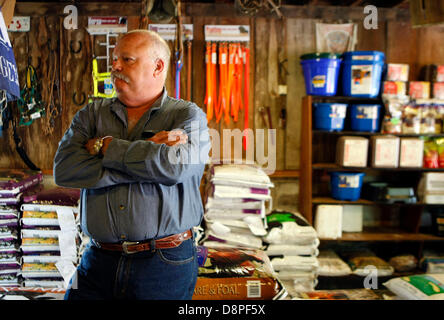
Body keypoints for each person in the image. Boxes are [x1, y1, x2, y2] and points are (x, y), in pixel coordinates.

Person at [53, 29, 210, 300]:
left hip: (164, 263)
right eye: (114, 59)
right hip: (97, 261)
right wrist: (146, 164)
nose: (114, 66)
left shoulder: (187, 116)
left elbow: (175, 168)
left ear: (158, 66)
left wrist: (107, 147)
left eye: (127, 59)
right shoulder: (92, 114)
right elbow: (65, 169)